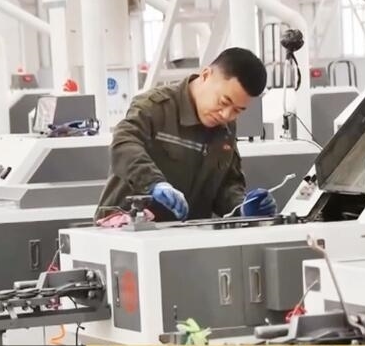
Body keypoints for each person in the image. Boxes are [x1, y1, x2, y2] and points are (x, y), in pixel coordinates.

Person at [96, 47, 277, 222]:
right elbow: (123, 144)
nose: (226, 115)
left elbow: (225, 184)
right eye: (223, 101)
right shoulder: (155, 107)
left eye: (237, 110)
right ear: (205, 75)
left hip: (187, 236)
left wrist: (242, 207)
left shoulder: (226, 128)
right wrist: (154, 183)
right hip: (126, 231)